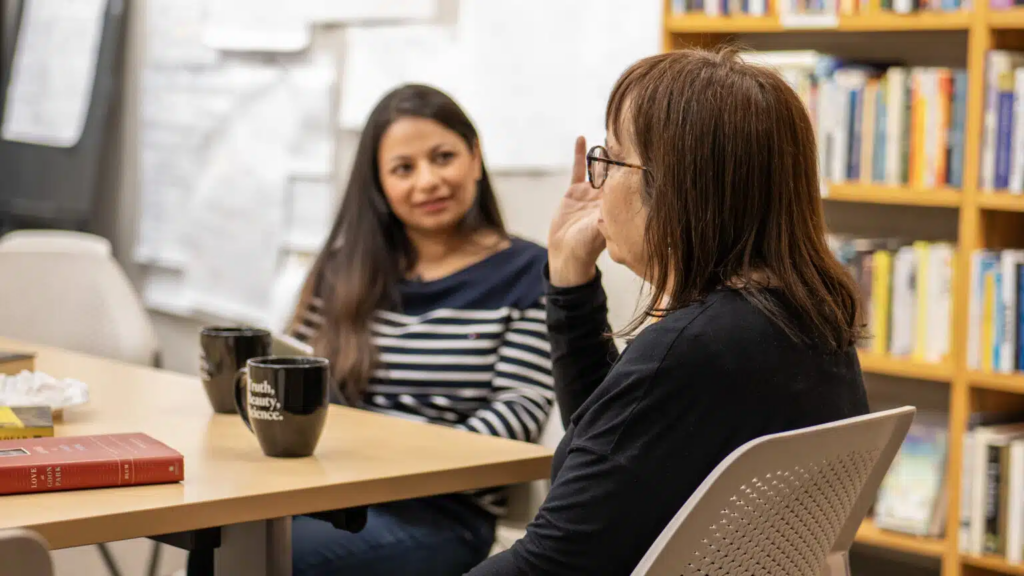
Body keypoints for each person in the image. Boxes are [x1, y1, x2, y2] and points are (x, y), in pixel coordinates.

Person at [468, 46, 870, 575]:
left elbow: (550, 565)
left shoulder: (695, 349)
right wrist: (569, 276)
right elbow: (613, 441)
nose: (598, 184)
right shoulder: (806, 320)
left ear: (679, 187)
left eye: (610, 160)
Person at [287, 84, 553, 575]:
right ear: (379, 185)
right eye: (403, 169)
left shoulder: (528, 271)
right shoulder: (345, 269)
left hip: (444, 514)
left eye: (443, 157)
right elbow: (295, 374)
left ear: (475, 157)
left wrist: (401, 469)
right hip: (332, 492)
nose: (427, 181)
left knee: (262, 559)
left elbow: (520, 409)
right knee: (229, 542)